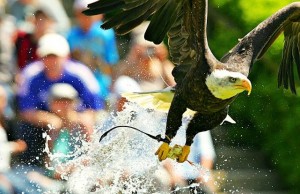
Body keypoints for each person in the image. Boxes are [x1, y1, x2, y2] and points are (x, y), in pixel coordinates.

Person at [16, 33, 104, 168]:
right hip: (44, 124)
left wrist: (75, 119)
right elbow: (25, 110)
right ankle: (34, 165)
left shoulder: (81, 74)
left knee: (90, 126)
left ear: (66, 56)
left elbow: (95, 108)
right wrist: (50, 120)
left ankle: (91, 162)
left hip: (77, 120)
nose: (51, 61)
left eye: (55, 57)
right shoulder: (31, 75)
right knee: (26, 128)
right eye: (47, 57)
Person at [67, 0, 120, 102]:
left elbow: (111, 63)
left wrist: (112, 85)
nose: (86, 16)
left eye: (90, 12)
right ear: (77, 14)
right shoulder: (71, 35)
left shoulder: (105, 33)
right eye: (83, 12)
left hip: (101, 84)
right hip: (77, 83)